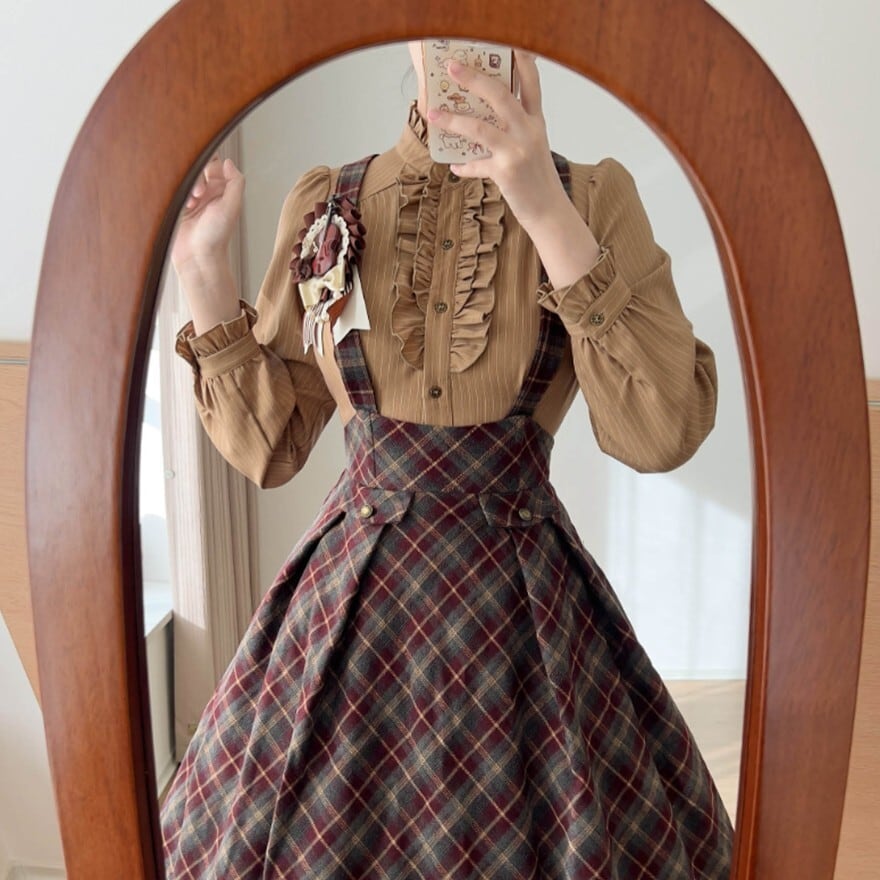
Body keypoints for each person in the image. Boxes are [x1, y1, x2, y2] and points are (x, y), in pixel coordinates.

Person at [161, 42, 733, 879]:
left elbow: (662, 429)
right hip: (350, 630)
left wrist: (542, 208)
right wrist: (200, 265)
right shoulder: (329, 203)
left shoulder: (590, 197)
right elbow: (271, 445)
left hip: (522, 632)